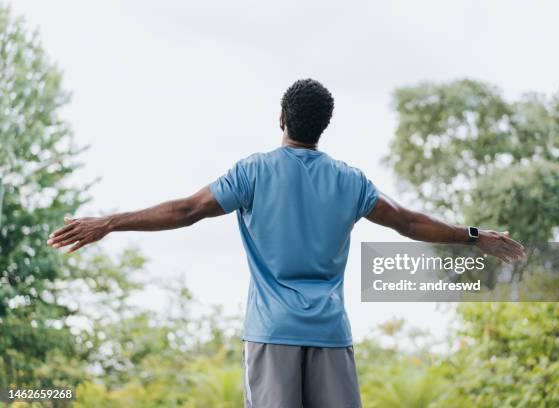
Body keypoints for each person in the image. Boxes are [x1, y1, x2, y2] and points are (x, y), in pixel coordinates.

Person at [48, 79, 524, 407]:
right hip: (330, 335)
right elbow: (408, 222)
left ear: (281, 117)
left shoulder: (252, 172)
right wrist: (474, 236)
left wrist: (109, 222)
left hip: (271, 333)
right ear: (324, 125)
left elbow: (186, 211)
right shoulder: (350, 181)